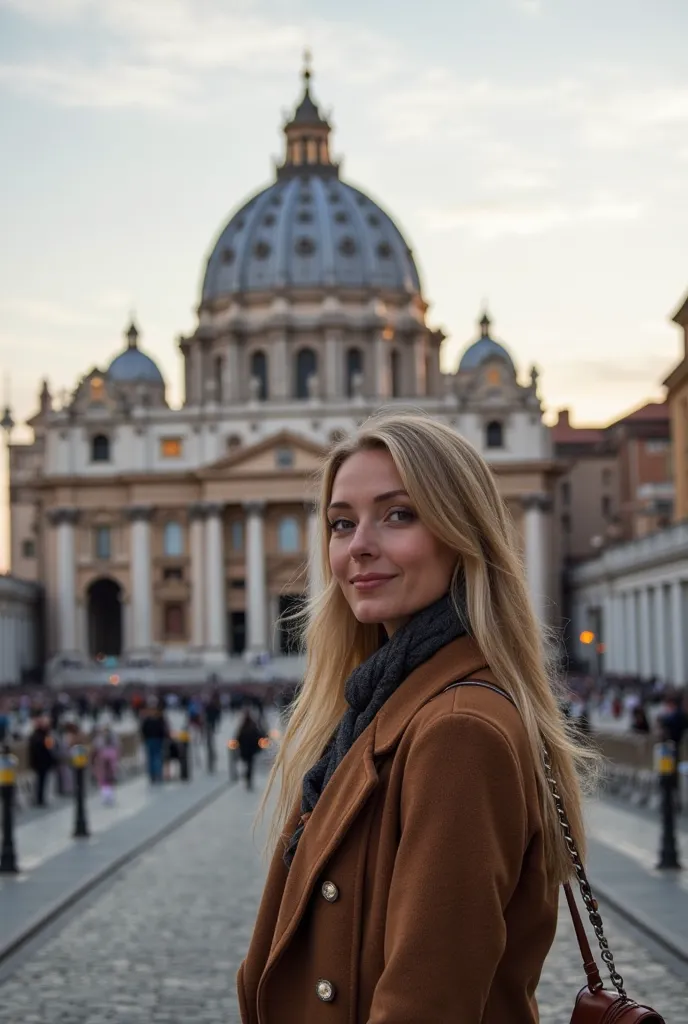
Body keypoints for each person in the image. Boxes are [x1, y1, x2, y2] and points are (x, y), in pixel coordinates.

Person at [239, 413, 594, 1024]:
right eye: (341, 523)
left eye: (398, 514)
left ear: (463, 534)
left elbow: (427, 1004)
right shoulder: (381, 703)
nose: (359, 547)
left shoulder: (458, 730)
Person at [28, 716, 55, 807]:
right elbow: (46, 747)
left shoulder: (42, 735)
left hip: (42, 761)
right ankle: (39, 799)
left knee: (42, 781)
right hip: (40, 762)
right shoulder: (38, 736)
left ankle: (41, 798)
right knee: (40, 782)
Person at [140, 699, 168, 783]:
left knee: (152, 758)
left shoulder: (148, 719)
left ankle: (153, 775)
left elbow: (143, 729)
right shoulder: (159, 719)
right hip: (156, 739)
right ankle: (157, 774)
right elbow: (163, 729)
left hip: (151, 740)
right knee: (156, 757)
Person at [235, 710, 264, 791]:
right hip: (250, 750)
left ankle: (248, 778)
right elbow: (258, 736)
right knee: (249, 765)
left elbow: (238, 738)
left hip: (246, 750)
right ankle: (248, 778)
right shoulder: (251, 727)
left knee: (248, 765)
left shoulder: (243, 727)